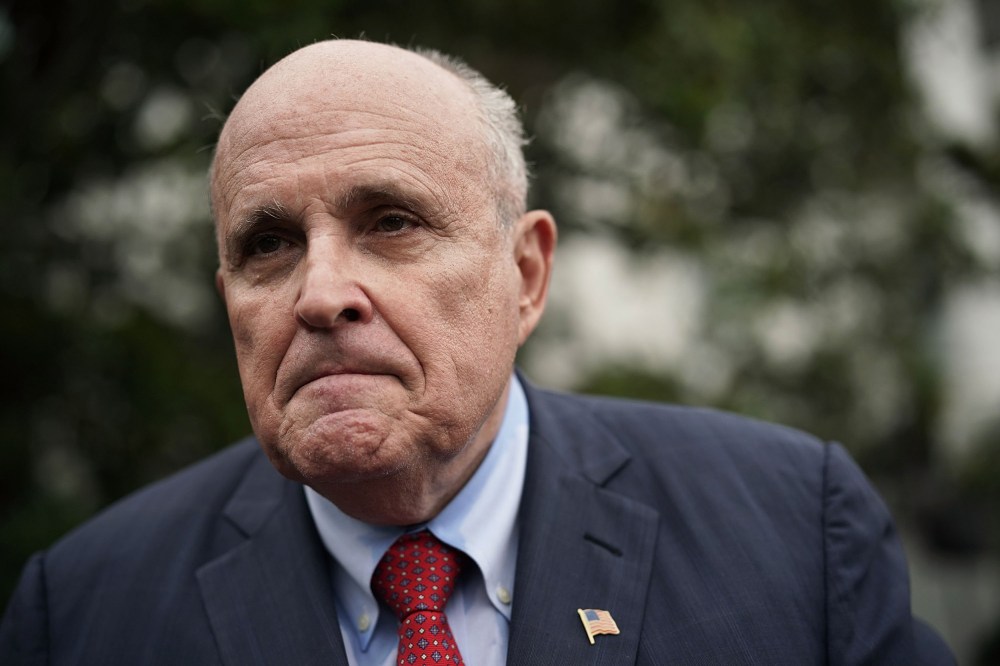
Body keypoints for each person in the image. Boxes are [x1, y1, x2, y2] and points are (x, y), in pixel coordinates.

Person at [1, 39, 953, 665]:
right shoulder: (82, 614)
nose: (321, 293)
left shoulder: (791, 535)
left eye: (391, 222)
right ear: (229, 304)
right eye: (269, 244)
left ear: (525, 275)